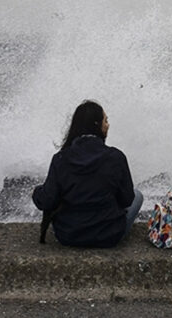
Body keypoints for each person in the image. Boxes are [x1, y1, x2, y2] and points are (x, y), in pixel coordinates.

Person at [32, 100, 142, 247]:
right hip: (109, 235)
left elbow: (48, 200)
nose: (108, 125)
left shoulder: (61, 158)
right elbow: (127, 199)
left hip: (69, 235)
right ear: (97, 125)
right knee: (138, 195)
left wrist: (37, 192)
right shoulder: (115, 157)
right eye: (105, 120)